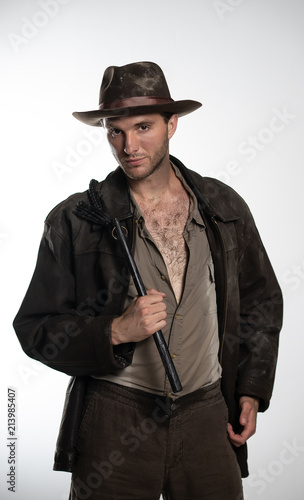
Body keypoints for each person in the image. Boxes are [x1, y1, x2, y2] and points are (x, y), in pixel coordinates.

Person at [13, 61, 283, 500]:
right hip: (114, 419)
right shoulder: (76, 219)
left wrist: (251, 389)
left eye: (143, 127)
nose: (129, 145)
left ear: (172, 124)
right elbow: (35, 328)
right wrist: (115, 330)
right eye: (114, 130)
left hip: (206, 414)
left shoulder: (222, 206)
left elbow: (262, 300)